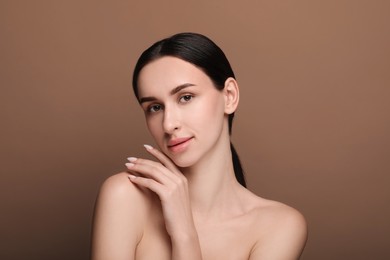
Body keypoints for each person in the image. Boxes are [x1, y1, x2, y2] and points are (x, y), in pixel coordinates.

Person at [91, 32, 307, 260]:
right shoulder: (124, 196)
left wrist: (185, 235)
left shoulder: (279, 226)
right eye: (155, 107)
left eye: (186, 97)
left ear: (230, 96)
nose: (169, 124)